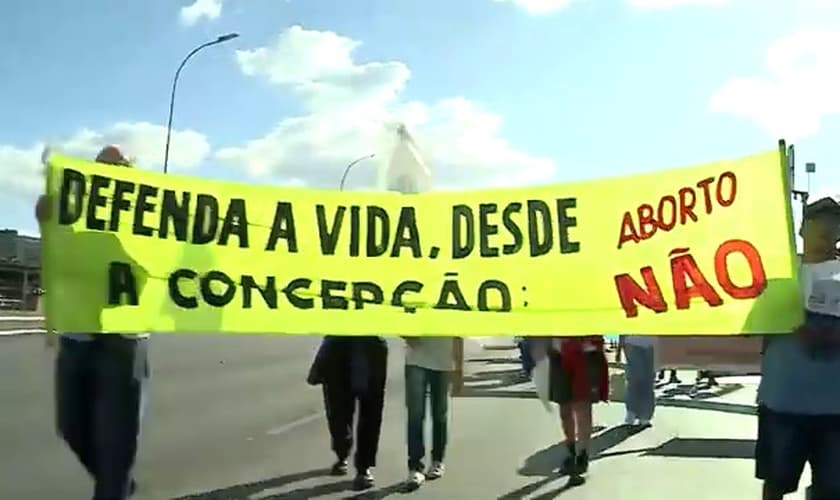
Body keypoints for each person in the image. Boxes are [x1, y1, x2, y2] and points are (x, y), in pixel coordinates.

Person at [37, 145, 149, 500]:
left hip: (122, 337)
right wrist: (47, 221)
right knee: (71, 426)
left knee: (116, 441)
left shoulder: (143, 217)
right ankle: (116, 482)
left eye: (118, 167)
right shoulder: (76, 210)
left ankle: (113, 487)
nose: (107, 172)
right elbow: (59, 256)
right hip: (77, 333)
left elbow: (153, 270)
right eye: (101, 166)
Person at [756, 196, 840, 500]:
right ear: (802, 230)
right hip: (782, 403)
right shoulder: (779, 277)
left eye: (832, 232)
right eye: (818, 231)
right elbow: (747, 329)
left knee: (831, 491)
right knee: (776, 485)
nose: (824, 239)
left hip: (834, 409)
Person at [316, 336, 388, 491]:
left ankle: (364, 468)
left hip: (371, 347)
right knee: (337, 410)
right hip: (339, 346)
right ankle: (342, 452)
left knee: (371, 413)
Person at [402, 336, 464, 490]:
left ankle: (437, 460)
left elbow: (459, 333)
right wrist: (406, 333)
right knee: (415, 415)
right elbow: (397, 316)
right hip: (416, 360)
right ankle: (415, 467)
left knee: (439, 414)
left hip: (443, 362)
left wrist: (459, 369)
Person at [549, 335, 609, 486]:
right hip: (560, 354)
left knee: (582, 407)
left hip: (586, 354)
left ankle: (582, 456)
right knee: (565, 409)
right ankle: (571, 451)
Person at [619, 335, 657, 427]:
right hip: (633, 343)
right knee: (636, 379)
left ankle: (644, 416)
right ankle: (632, 413)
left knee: (647, 380)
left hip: (652, 344)